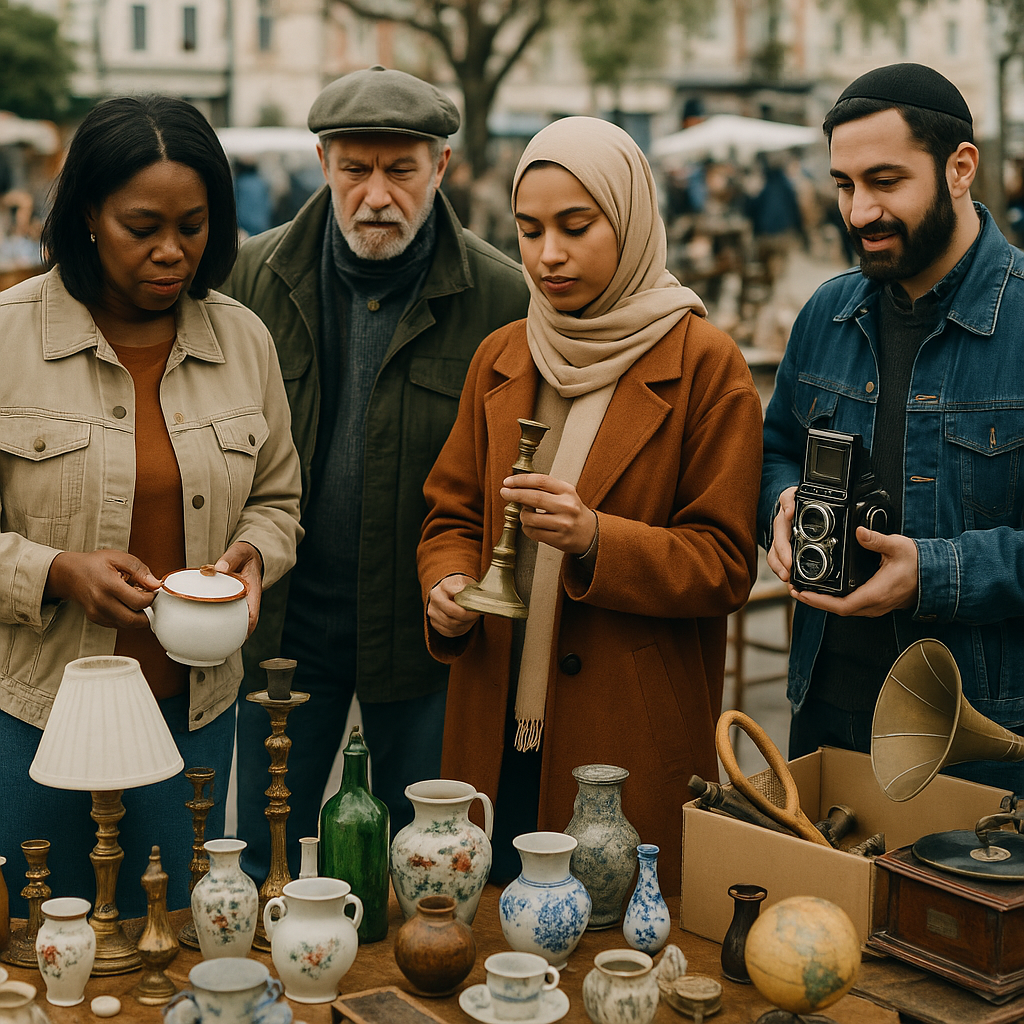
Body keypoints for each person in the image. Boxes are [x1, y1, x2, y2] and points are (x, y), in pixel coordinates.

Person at [417, 116, 763, 895]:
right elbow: (451, 514)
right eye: (529, 229)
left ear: (632, 221)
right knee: (487, 928)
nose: (548, 254)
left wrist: (595, 538)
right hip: (493, 720)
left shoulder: (706, 365)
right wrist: (445, 583)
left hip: (622, 729)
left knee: (613, 948)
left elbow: (724, 564)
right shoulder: (503, 353)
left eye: (576, 227)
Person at [221, 65, 529, 885]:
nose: (377, 195)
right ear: (323, 163)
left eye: (401, 170)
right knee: (265, 860)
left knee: (425, 871)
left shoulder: (502, 297)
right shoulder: (249, 279)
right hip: (283, 627)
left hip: (425, 635)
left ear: (442, 167)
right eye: (355, 169)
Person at [0, 94, 303, 915]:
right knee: (46, 940)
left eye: (193, 226)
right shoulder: (8, 337)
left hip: (191, 717)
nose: (173, 251)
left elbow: (277, 496)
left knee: (174, 939)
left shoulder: (244, 342)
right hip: (36, 717)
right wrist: (56, 571)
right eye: (143, 227)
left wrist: (255, 553)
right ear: (88, 215)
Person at [760, 63, 1024, 791]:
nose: (859, 211)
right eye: (844, 185)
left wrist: (933, 575)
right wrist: (780, 506)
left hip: (980, 745)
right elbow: (776, 449)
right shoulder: (825, 313)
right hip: (824, 719)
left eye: (885, 181)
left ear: (959, 168)